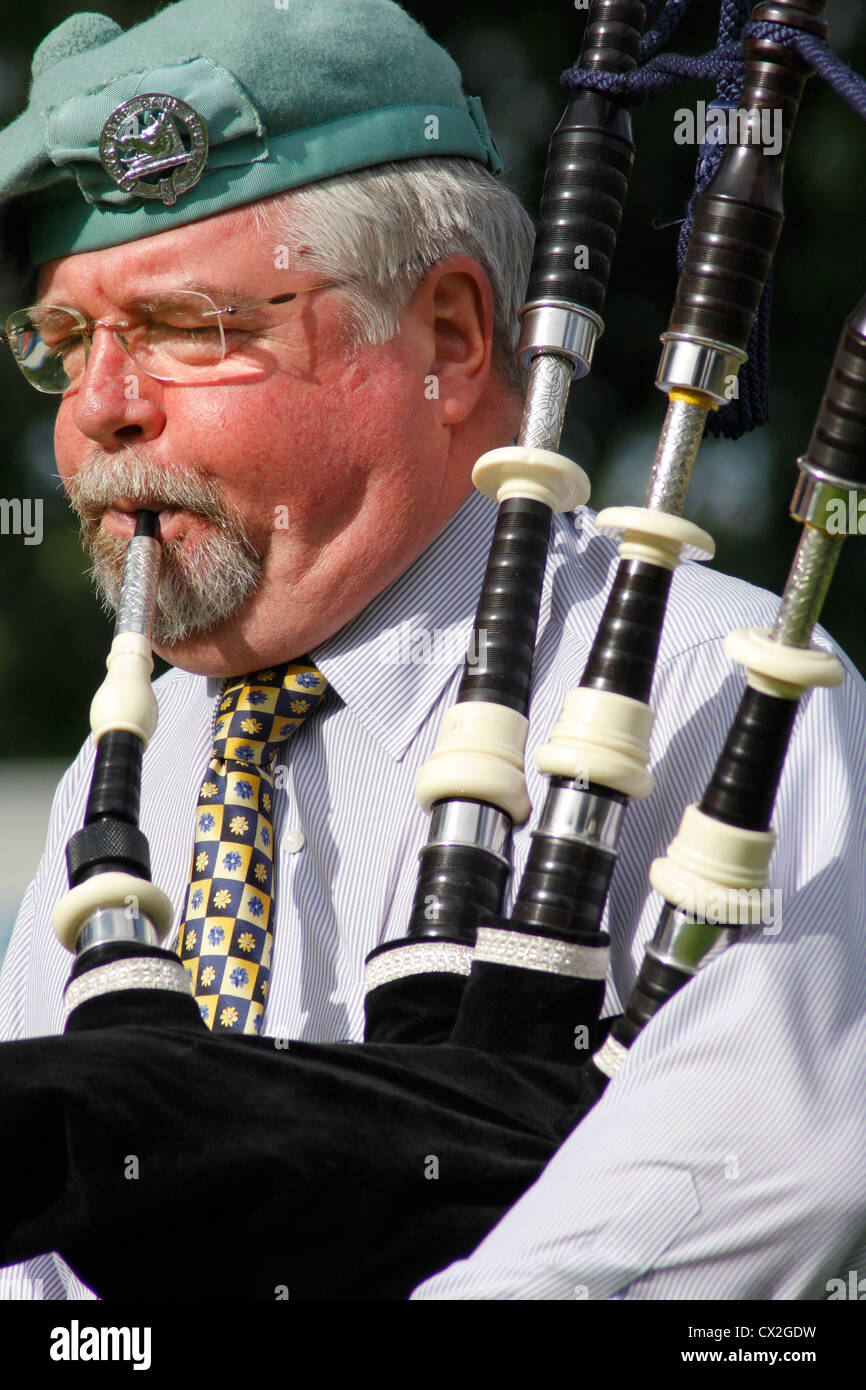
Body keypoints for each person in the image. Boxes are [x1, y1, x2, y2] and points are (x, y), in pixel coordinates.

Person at [0, 0, 864, 1302]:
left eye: (188, 327)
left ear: (447, 340)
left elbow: (742, 1174)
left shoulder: (715, 686)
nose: (103, 409)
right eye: (66, 344)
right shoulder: (131, 763)